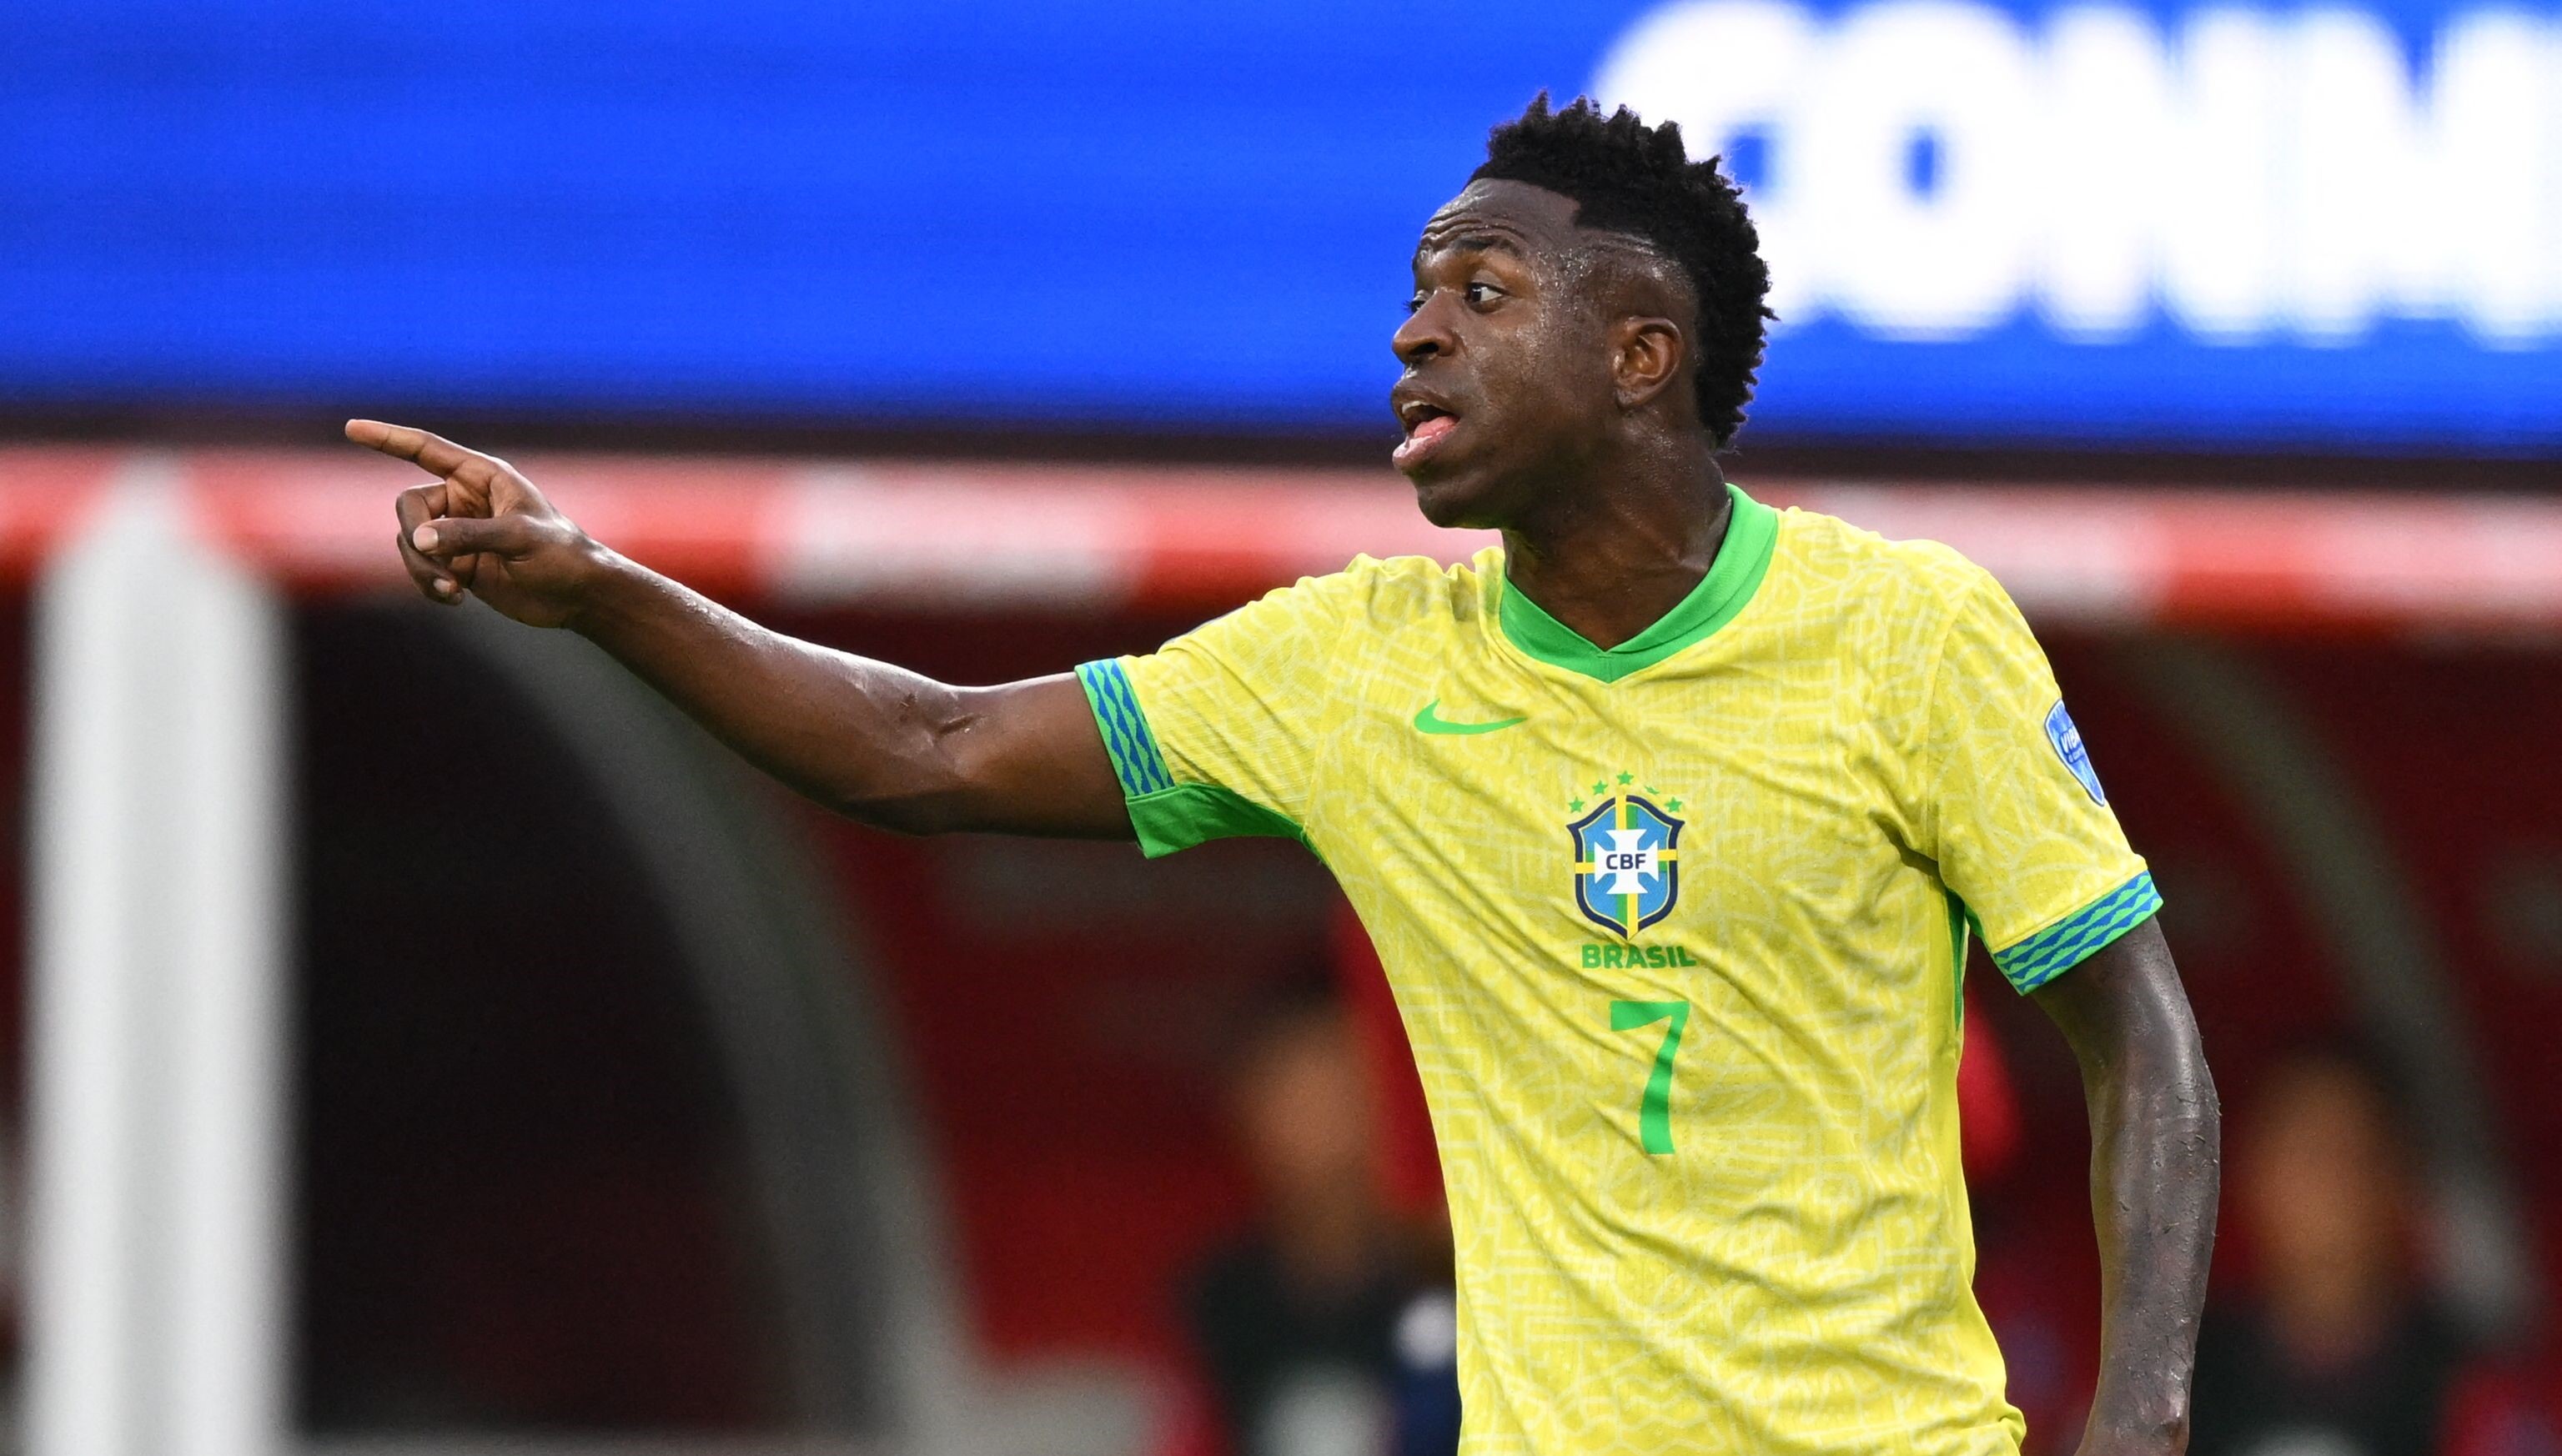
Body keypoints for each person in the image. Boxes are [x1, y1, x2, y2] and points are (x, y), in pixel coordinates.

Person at [347, 94, 2220, 1455]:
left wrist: (2138, 1419)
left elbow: (2138, 1033)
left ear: (1644, 351)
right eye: (1418, 292)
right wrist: (601, 593)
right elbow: (921, 746)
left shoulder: (1907, 634)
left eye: (1484, 292)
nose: (1416, 329)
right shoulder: (1358, 666)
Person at [1183, 985, 1455, 1456]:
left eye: (1344, 1087)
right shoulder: (1211, 1302)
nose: (1325, 1119)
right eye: (1297, 1091)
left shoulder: (1451, 1285)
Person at [2191, 1044, 2467, 1456]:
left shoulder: (2469, 1380)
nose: (2330, 1184)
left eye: (2352, 1151)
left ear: (2400, 1179)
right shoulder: (2179, 1375)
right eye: (2307, 1152)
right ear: (2252, 1174)